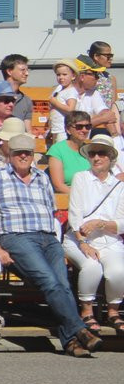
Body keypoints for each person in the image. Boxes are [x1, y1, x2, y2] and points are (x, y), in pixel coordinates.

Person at [0, 133, 103, 357]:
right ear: (11, 154)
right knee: (49, 281)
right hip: (17, 236)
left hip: (48, 237)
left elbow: (52, 211)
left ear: (33, 155)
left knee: (63, 285)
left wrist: (56, 239)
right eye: (18, 152)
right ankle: (80, 330)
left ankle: (70, 342)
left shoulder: (41, 177)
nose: (23, 156)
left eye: (28, 152)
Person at [62, 134, 124, 333]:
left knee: (118, 272)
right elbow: (75, 215)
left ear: (110, 157)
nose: (96, 157)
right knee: (92, 266)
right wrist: (83, 243)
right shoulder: (81, 178)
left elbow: (121, 223)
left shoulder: (119, 185)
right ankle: (86, 311)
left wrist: (100, 224)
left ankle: (113, 311)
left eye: (102, 153)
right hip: (78, 238)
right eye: (93, 153)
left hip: (109, 240)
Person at [47, 110, 93, 194]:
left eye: (88, 126)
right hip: (69, 197)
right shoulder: (57, 150)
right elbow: (59, 186)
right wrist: (82, 197)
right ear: (68, 129)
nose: (84, 130)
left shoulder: (91, 151)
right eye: (79, 127)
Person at [74, 55, 115, 130]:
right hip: (64, 141)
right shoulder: (63, 93)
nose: (98, 78)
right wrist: (101, 119)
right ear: (82, 76)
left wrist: (115, 136)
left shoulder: (92, 93)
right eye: (95, 74)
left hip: (84, 139)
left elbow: (107, 113)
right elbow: (72, 127)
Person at [49, 59, 80, 146]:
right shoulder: (59, 90)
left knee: (61, 150)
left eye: (64, 74)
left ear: (73, 76)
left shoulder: (71, 91)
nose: (61, 77)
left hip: (63, 129)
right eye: (58, 75)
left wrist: (55, 103)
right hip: (56, 128)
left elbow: (71, 109)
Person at [0, 54, 33, 130]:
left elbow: (28, 130)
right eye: (22, 70)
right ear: (9, 71)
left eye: (27, 70)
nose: (27, 73)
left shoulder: (26, 100)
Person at [87, 41, 118, 117]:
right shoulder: (86, 76)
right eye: (108, 56)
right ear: (96, 56)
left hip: (108, 121)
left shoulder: (111, 78)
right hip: (89, 120)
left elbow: (113, 103)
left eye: (111, 56)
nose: (110, 59)